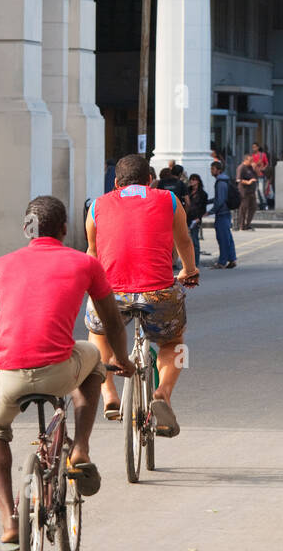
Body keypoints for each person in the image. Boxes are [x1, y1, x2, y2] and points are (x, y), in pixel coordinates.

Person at [0, 196, 134, 544]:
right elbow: (112, 323)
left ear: (26, 229)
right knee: (92, 354)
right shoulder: (85, 264)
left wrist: (2, 357)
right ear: (64, 228)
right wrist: (122, 359)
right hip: (60, 371)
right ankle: (80, 447)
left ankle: (9, 520)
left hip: (9, 373)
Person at [85, 153, 199, 435]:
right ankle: (163, 393)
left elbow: (92, 252)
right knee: (175, 343)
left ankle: (109, 393)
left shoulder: (97, 206)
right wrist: (189, 271)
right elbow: (184, 241)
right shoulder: (169, 200)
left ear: (116, 183)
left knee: (98, 334)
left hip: (111, 293)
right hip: (159, 292)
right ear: (150, 180)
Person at [209, 158, 238, 269]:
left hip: (222, 213)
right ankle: (232, 259)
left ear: (218, 170)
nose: (211, 171)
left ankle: (222, 262)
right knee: (227, 237)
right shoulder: (224, 180)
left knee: (223, 238)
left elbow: (220, 200)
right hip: (225, 212)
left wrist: (211, 211)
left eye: (213, 169)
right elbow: (218, 198)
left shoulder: (220, 182)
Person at [184, 173, 209, 256]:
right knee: (186, 241)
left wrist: (199, 218)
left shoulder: (203, 194)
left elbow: (203, 208)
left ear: (198, 181)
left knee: (195, 240)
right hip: (187, 217)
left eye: (194, 180)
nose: (192, 181)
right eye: (191, 179)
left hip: (195, 218)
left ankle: (196, 261)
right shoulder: (187, 191)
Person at [237, 153, 258, 231]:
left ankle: (247, 223)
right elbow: (238, 179)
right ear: (245, 160)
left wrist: (255, 168)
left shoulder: (251, 168)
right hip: (244, 191)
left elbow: (256, 176)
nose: (252, 162)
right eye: (250, 160)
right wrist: (248, 182)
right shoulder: (241, 167)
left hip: (252, 191)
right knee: (243, 208)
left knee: (253, 207)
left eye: (252, 160)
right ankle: (242, 225)